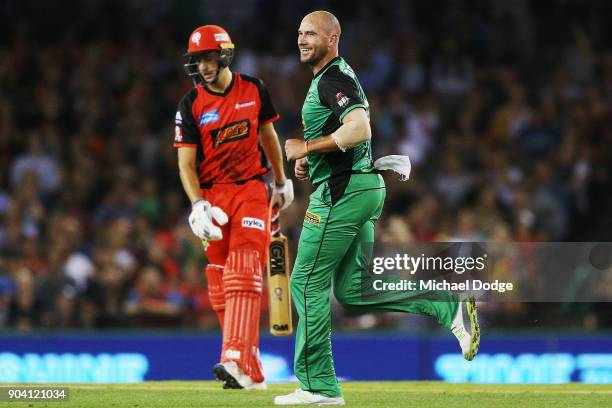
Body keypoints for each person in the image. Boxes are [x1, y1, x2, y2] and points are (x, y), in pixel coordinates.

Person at [275, 11, 480, 405]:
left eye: (311, 34)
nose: (301, 40)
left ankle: (319, 387)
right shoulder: (333, 76)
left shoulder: (332, 78)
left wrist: (307, 147)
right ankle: (444, 305)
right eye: (299, 33)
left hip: (343, 193)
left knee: (305, 282)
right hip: (361, 186)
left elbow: (359, 129)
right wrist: (311, 161)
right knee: (353, 291)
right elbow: (347, 133)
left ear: (332, 39)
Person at [173, 24, 294, 390]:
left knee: (243, 268)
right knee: (219, 279)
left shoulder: (253, 88)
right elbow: (185, 164)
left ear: (225, 55)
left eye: (209, 58)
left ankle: (234, 358)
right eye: (198, 60)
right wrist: (197, 205)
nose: (204, 67)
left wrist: (280, 180)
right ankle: (252, 370)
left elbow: (268, 135)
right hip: (213, 196)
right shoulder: (191, 104)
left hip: (252, 190)